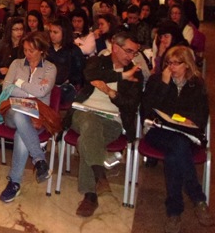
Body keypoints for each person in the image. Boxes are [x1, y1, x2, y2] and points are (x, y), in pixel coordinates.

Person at [66, 31, 143, 218]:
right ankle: (97, 182)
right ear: (115, 47)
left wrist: (110, 92)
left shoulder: (136, 73)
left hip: (112, 121)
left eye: (135, 52)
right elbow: (89, 74)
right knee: (90, 122)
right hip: (83, 113)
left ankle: (92, 192)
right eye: (129, 51)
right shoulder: (97, 62)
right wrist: (121, 76)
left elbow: (131, 104)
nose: (131, 56)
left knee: (87, 139)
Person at [140, 46, 213, 233]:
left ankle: (174, 212)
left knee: (175, 154)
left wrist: (188, 120)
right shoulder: (157, 80)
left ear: (187, 64)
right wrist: (164, 85)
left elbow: (202, 115)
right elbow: (147, 109)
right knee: (178, 147)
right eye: (168, 63)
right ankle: (197, 198)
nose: (171, 67)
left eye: (176, 63)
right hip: (159, 131)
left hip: (186, 134)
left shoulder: (196, 85)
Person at [0, 31, 57, 203]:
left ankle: (14, 183)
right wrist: (31, 91)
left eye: (31, 50)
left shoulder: (50, 68)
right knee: (19, 114)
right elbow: (6, 88)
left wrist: (19, 83)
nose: (27, 54)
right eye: (25, 50)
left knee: (22, 134)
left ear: (41, 50)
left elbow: (42, 91)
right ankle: (39, 159)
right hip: (12, 111)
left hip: (37, 116)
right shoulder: (16, 64)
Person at [0, 17, 25, 105]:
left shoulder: (25, 47)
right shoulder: (1, 43)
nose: (19, 32)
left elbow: (24, 70)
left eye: (21, 29)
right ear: (10, 31)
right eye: (16, 29)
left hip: (12, 83)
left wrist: (9, 71)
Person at [46, 16, 86, 104]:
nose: (52, 35)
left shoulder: (73, 50)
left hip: (65, 86)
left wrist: (69, 80)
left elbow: (80, 74)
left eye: (55, 32)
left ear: (64, 33)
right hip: (45, 84)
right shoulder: (46, 48)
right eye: (50, 31)